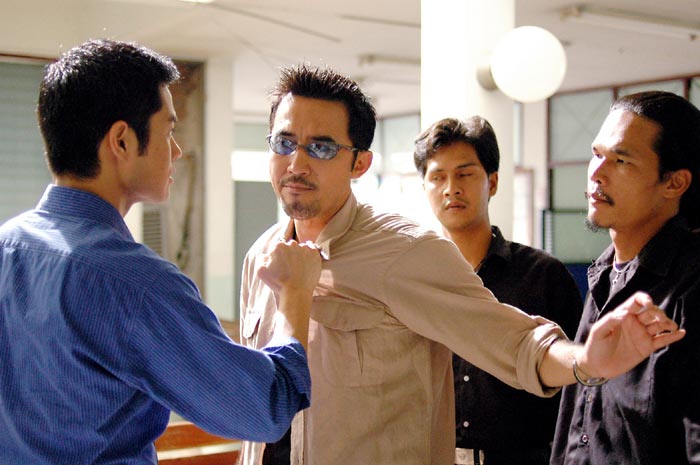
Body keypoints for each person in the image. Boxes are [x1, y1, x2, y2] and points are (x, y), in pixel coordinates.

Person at [238, 65, 684, 465]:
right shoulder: (261, 256)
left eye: (320, 147)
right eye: (284, 143)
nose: (296, 163)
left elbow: (518, 345)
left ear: (360, 163)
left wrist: (586, 360)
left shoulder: (404, 252)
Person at [0, 39, 322, 465]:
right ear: (121, 141)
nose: (176, 151)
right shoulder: (134, 283)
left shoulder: (7, 245)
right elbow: (264, 408)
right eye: (168, 132)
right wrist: (294, 296)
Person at [414, 116, 583, 465]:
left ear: (492, 182)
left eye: (465, 174)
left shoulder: (544, 275)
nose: (451, 188)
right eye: (438, 177)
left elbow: (578, 387)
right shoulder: (413, 279)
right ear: (424, 187)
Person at [550, 91, 700, 465]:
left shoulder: (690, 285)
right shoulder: (604, 275)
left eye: (621, 160)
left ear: (674, 183)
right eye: (597, 154)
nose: (596, 174)